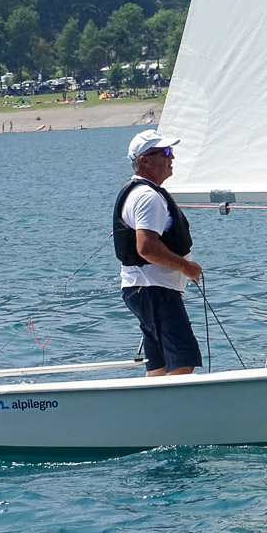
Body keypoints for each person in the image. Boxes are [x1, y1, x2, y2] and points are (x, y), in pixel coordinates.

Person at [114, 129, 203, 376]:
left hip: (145, 289)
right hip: (154, 289)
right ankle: (176, 402)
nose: (171, 156)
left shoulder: (141, 192)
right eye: (165, 152)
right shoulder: (147, 197)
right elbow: (147, 248)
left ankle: (151, 399)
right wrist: (186, 267)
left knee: (159, 364)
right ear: (144, 160)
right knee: (183, 358)